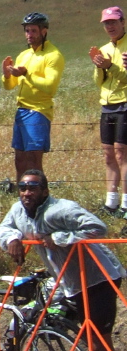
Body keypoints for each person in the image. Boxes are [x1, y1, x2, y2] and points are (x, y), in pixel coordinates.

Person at [0, 169, 125, 351]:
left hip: (98, 278)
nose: (26, 193)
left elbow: (97, 228)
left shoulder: (61, 209)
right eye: (22, 187)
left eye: (33, 187)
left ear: (45, 190)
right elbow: (4, 227)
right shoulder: (19, 211)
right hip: (70, 283)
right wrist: (12, 239)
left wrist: (58, 239)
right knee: (89, 342)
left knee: (101, 342)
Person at [2, 12, 65, 179]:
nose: (29, 35)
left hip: (39, 111)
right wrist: (7, 75)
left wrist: (26, 73)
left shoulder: (53, 55)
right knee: (19, 159)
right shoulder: (24, 55)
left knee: (33, 160)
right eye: (27, 31)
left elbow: (50, 87)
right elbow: (9, 86)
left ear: (44, 32)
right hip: (21, 110)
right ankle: (22, 196)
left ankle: (40, 197)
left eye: (33, 31)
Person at [91, 7, 127, 215]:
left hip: (125, 103)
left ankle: (125, 203)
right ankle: (110, 202)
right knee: (108, 154)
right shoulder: (104, 48)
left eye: (113, 22)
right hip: (107, 104)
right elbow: (98, 82)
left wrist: (110, 66)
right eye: (106, 23)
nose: (110, 26)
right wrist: (99, 67)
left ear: (123, 22)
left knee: (122, 153)